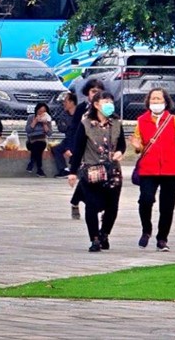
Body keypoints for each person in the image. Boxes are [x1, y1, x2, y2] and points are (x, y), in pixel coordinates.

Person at [131, 86, 175, 250]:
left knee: (167, 206)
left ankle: (162, 239)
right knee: (145, 200)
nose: (155, 101)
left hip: (171, 169)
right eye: (153, 98)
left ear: (166, 102)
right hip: (148, 169)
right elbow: (138, 144)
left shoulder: (174, 120)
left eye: (159, 99)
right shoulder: (141, 121)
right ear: (148, 101)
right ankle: (146, 230)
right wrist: (137, 146)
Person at [68, 89, 126, 252]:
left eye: (111, 102)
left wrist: (120, 152)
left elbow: (121, 143)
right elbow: (78, 148)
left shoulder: (116, 122)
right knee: (92, 205)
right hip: (92, 170)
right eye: (105, 102)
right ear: (96, 104)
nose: (109, 105)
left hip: (113, 171)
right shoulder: (86, 123)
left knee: (112, 206)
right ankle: (94, 239)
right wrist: (73, 172)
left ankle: (104, 234)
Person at [68, 78, 103, 219]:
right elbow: (73, 128)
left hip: (100, 149)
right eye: (93, 91)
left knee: (101, 179)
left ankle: (98, 206)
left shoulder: (105, 108)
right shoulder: (82, 109)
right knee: (86, 177)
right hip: (83, 149)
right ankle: (77, 202)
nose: (96, 94)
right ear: (87, 92)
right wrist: (71, 147)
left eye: (99, 91)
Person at [51, 94, 77, 176]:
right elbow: (61, 128)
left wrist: (68, 125)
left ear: (72, 102)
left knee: (73, 148)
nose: (64, 104)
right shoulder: (64, 114)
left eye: (65, 102)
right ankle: (64, 170)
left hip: (79, 140)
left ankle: (75, 170)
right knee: (56, 149)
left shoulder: (80, 113)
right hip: (68, 139)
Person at [25, 102, 53, 176]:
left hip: (41, 140)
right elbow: (27, 131)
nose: (41, 113)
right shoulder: (31, 117)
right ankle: (39, 169)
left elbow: (49, 134)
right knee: (36, 146)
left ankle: (32, 163)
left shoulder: (47, 119)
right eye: (40, 111)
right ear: (36, 111)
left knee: (39, 145)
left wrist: (45, 124)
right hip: (31, 140)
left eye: (44, 112)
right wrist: (34, 122)